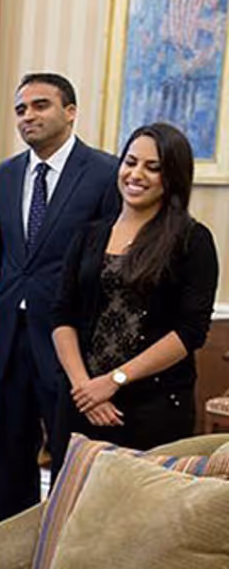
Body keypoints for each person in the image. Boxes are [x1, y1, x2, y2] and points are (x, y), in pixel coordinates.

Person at [0, 72, 120, 523]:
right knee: (10, 463)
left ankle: (63, 547)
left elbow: (109, 263)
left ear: (70, 111)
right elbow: (9, 256)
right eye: (21, 108)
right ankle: (10, 547)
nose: (28, 116)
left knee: (69, 462)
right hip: (10, 339)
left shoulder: (104, 173)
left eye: (40, 105)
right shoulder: (2, 176)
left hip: (70, 342)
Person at [51, 123, 218, 450]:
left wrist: (114, 381)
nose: (136, 174)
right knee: (72, 500)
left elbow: (190, 332)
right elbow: (62, 315)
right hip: (81, 401)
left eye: (152, 168)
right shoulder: (88, 235)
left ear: (172, 177)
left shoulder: (192, 240)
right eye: (130, 162)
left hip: (152, 408)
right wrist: (86, 388)